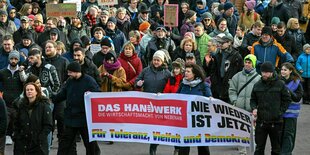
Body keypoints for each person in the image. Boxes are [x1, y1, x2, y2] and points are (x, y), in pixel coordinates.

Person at [52, 61, 101, 155]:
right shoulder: (70, 81)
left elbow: (97, 95)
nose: (68, 74)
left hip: (85, 118)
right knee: (65, 143)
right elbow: (62, 94)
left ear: (77, 71)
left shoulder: (89, 81)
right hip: (71, 117)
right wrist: (52, 98)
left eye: (70, 72)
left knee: (90, 143)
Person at [250, 61, 291, 155]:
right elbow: (253, 99)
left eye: (266, 72)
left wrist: (280, 112)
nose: (264, 74)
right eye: (263, 72)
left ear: (272, 72)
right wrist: (254, 108)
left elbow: (287, 99)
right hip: (261, 122)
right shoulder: (257, 85)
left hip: (276, 122)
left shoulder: (280, 84)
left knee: (276, 149)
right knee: (259, 149)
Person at [135, 50, 170, 155]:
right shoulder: (146, 70)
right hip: (148, 102)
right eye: (154, 60)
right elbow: (137, 80)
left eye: (158, 60)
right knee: (151, 126)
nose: (156, 62)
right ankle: (152, 144)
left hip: (161, 104)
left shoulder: (167, 73)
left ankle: (153, 146)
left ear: (162, 61)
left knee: (158, 127)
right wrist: (138, 83)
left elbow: (171, 87)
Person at [228, 54, 261, 154]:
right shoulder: (237, 76)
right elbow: (232, 90)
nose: (247, 64)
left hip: (252, 110)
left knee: (252, 132)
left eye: (249, 62)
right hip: (239, 109)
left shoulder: (259, 78)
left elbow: (261, 94)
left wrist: (257, 107)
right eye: (246, 62)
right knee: (240, 131)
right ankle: (242, 152)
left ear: (254, 64)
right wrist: (234, 101)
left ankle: (253, 151)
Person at [177, 63, 212, 155]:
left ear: (194, 74)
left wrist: (210, 99)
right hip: (185, 120)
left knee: (202, 145)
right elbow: (176, 98)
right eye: (185, 71)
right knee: (184, 145)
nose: (186, 73)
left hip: (199, 120)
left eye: (188, 71)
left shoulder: (203, 85)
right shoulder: (183, 85)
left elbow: (209, 100)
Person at [13, 82, 53, 155]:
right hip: (23, 143)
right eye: (27, 90)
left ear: (36, 92)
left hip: (38, 143)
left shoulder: (44, 106)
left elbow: (48, 125)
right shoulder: (21, 106)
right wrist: (17, 136)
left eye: (31, 89)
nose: (29, 91)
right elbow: (17, 123)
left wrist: (40, 138)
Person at [207, 34, 243, 103]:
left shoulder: (236, 56)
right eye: (219, 43)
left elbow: (239, 71)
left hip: (230, 89)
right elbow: (212, 71)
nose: (220, 44)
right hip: (217, 88)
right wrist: (215, 83)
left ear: (229, 43)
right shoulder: (217, 55)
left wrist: (233, 83)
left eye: (222, 43)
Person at [0, 50, 24, 145]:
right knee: (6, 122)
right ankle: (8, 135)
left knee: (17, 121)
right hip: (6, 102)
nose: (13, 60)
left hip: (18, 102)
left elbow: (25, 82)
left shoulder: (21, 72)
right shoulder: (2, 72)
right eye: (11, 58)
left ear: (18, 60)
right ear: (9, 59)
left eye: (15, 59)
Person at [280, 62, 303, 155]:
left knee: (288, 135)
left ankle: (286, 153)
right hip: (280, 113)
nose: (283, 71)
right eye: (281, 69)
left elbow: (297, 98)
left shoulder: (297, 83)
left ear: (290, 71)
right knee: (279, 135)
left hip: (291, 114)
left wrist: (288, 90)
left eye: (285, 70)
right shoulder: (277, 81)